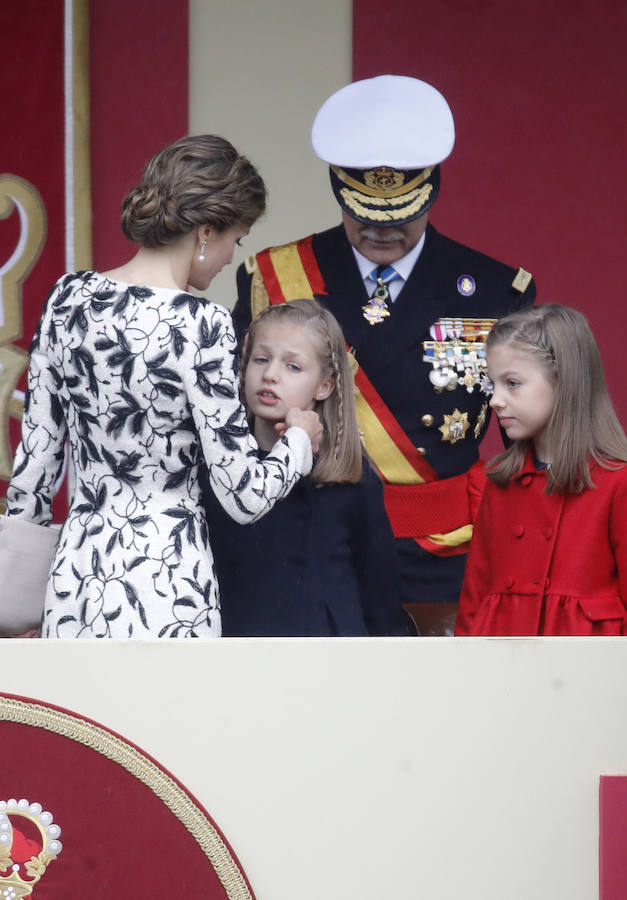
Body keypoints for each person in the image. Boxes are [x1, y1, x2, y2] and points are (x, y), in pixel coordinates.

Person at [232, 75, 536, 628]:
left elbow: (531, 442)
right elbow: (236, 423)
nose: (381, 230)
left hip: (440, 553)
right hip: (312, 541)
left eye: (400, 216)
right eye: (365, 215)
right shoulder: (274, 278)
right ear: (338, 190)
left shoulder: (494, 290)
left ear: (432, 191)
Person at [4, 135, 322, 639]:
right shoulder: (203, 324)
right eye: (235, 240)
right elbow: (244, 495)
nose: (229, 258)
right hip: (169, 583)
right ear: (205, 231)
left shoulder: (68, 298)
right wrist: (300, 440)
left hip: (77, 580)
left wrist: (16, 595)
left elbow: (35, 469)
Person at [203, 300, 410, 636]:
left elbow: (378, 590)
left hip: (326, 651)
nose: (270, 374)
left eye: (293, 367)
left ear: (324, 386)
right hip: (236, 648)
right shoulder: (219, 465)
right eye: (261, 359)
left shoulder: (350, 477)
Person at [455, 304, 627, 636]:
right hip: (502, 660)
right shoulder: (500, 481)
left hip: (585, 664)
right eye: (493, 384)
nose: (495, 400)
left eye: (512, 383)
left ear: (563, 381)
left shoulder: (622, 482)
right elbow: (473, 602)